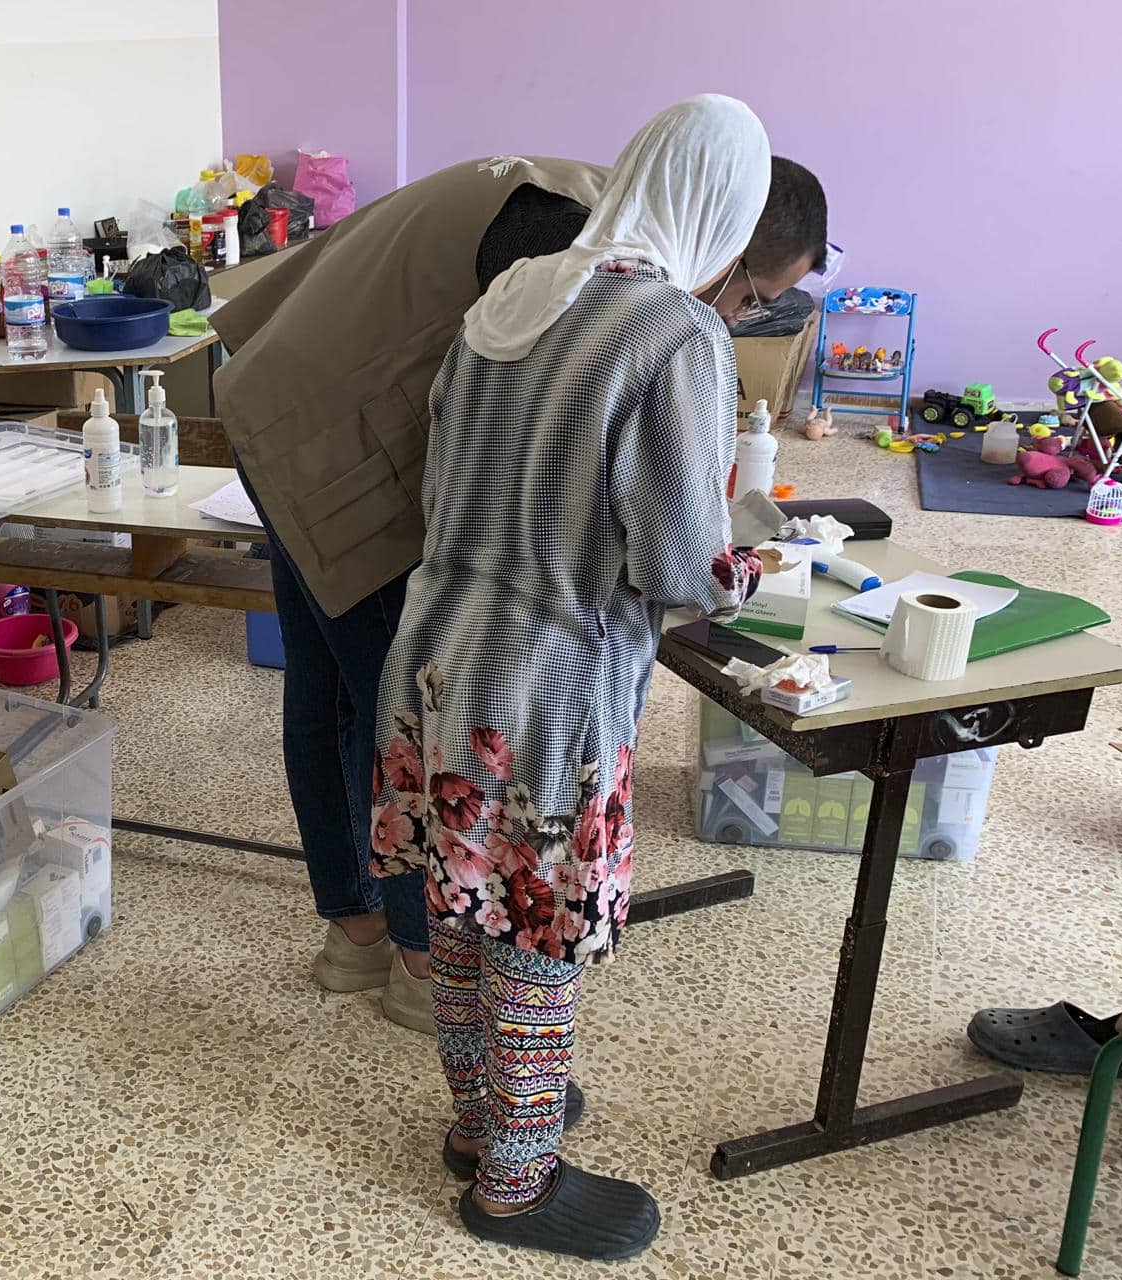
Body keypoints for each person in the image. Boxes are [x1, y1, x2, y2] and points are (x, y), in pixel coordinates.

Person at [214, 142, 826, 1033]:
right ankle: (423, 961)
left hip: (270, 396)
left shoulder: (584, 204)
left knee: (333, 688)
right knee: (391, 698)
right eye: (749, 298)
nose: (732, 319)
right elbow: (572, 477)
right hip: (331, 442)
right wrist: (705, 555)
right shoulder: (586, 262)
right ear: (724, 239)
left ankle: (355, 936)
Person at [365, 96, 826, 1258]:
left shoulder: (513, 293)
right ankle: (516, 1184)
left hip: (435, 653)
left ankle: (483, 1123)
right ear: (720, 207)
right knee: (533, 927)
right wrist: (753, 562)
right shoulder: (671, 329)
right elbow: (678, 560)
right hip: (553, 685)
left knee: (463, 899)